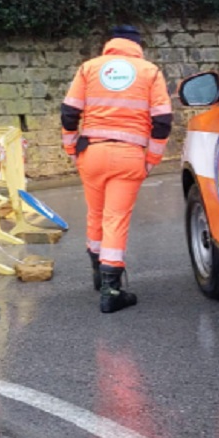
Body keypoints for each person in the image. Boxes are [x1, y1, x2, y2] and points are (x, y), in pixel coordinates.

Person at [60, 25, 173, 313]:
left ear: (110, 44)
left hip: (92, 152)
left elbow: (69, 113)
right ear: (138, 45)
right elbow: (162, 121)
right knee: (116, 219)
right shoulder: (149, 72)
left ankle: (99, 275)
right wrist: (152, 160)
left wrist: (72, 148)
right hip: (129, 155)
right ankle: (111, 291)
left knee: (96, 213)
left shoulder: (89, 68)